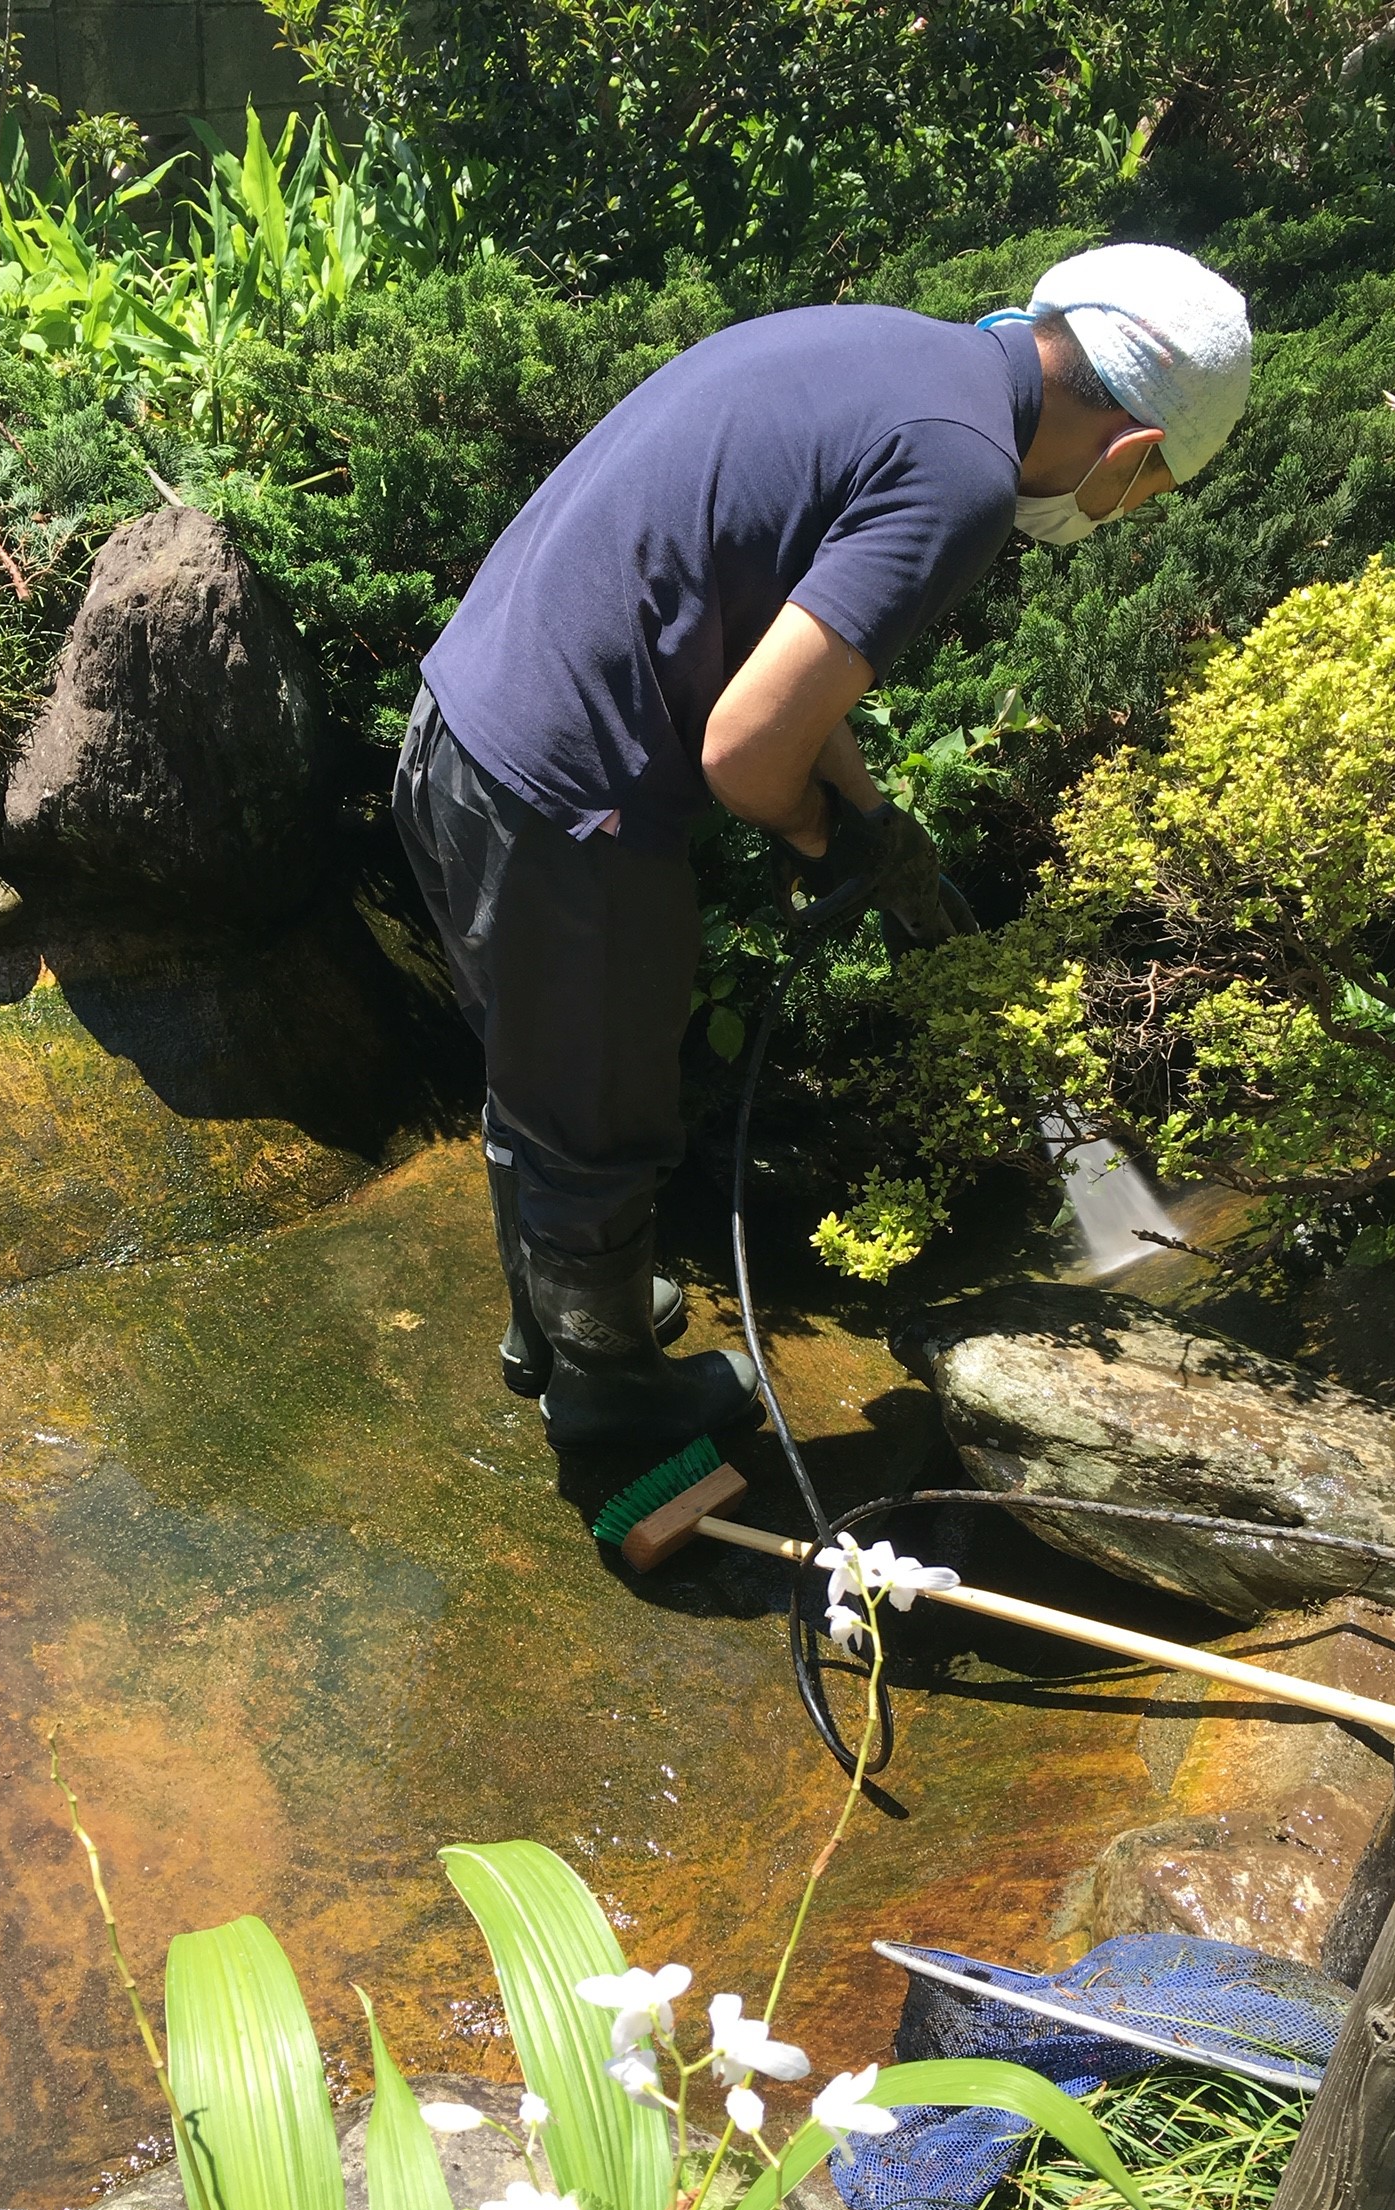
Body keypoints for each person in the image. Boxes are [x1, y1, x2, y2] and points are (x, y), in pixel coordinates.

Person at [395, 243, 1251, 1451]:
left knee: (539, 1069)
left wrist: (868, 820)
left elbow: (780, 655)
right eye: (1146, 497)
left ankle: (555, 1320)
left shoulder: (891, 353)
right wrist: (812, 833)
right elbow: (747, 751)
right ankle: (609, 1397)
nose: (1117, 517)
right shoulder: (960, 476)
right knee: (598, 1120)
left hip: (462, 733)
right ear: (1128, 453)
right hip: (565, 809)